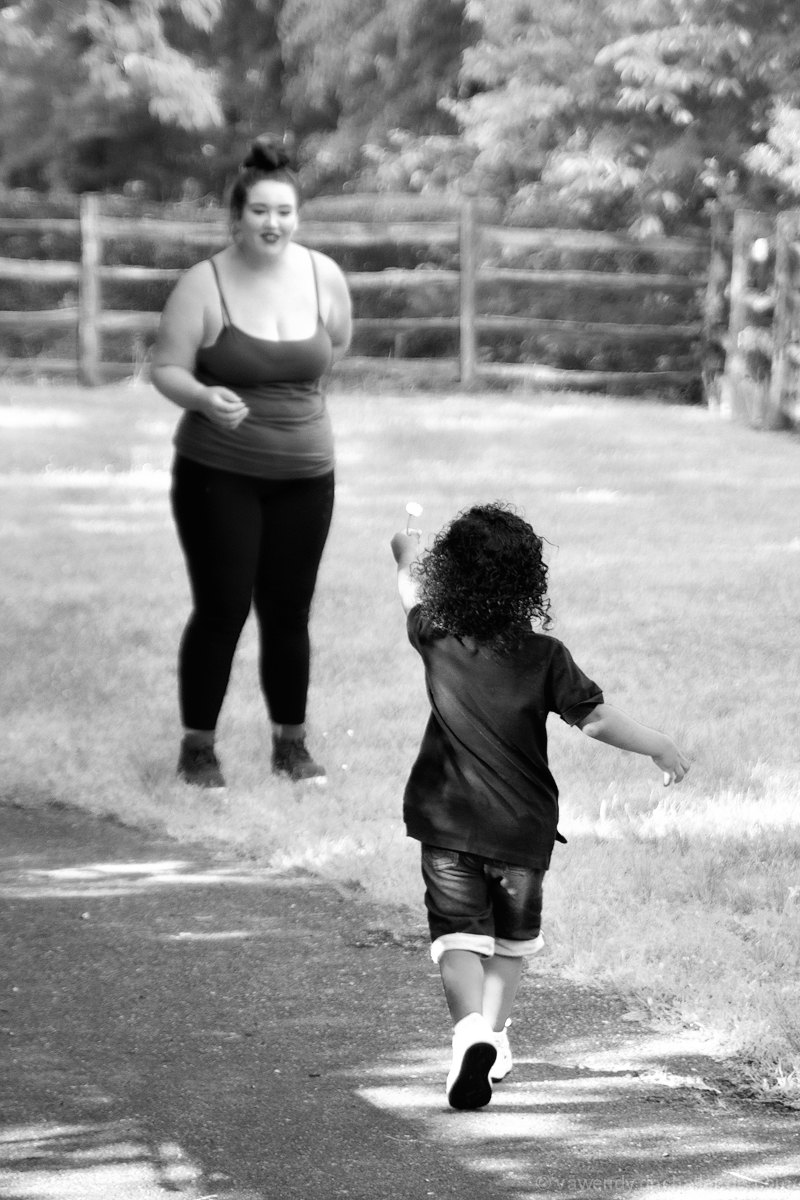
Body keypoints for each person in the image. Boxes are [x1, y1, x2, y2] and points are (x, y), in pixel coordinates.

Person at [390, 503, 689, 1111]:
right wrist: (660, 746)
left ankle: (469, 1032)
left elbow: (408, 590)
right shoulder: (545, 655)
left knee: (458, 938)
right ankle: (494, 1038)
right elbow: (598, 720)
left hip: (447, 822)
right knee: (510, 944)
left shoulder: (436, 636)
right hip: (522, 831)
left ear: (450, 575)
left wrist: (406, 555)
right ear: (527, 581)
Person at [151, 137, 352, 788]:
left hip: (306, 476)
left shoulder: (324, 276)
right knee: (224, 607)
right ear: (236, 217)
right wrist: (205, 395)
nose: (273, 223)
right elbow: (167, 369)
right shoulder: (203, 284)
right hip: (220, 474)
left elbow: (334, 347)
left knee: (289, 611)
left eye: (284, 212)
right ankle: (198, 750)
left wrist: (291, 409)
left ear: (297, 218)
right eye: (260, 211)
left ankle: (291, 747)